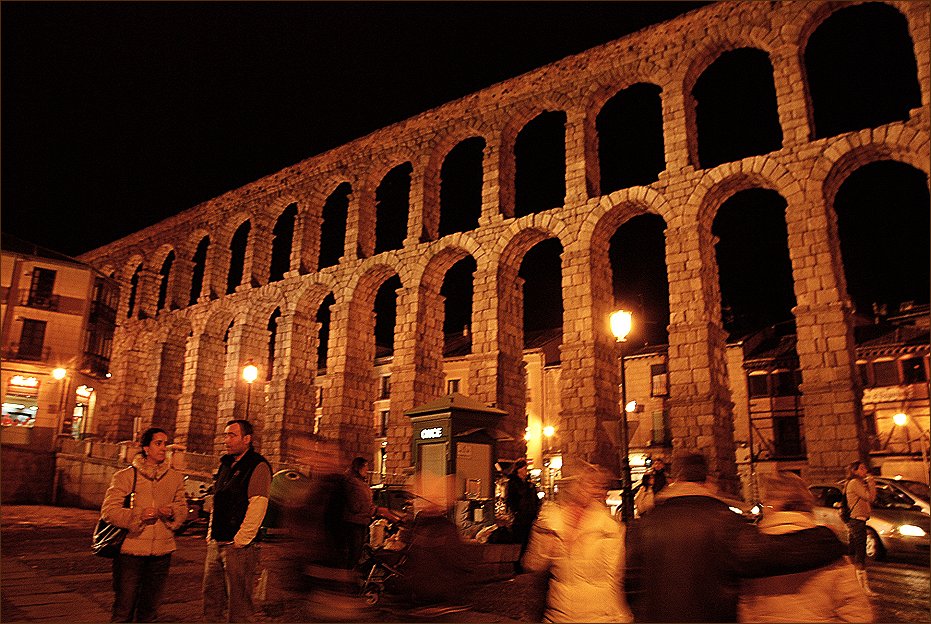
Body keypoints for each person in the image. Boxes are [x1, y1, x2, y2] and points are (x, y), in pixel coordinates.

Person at [625, 452, 848, 623]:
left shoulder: (644, 525)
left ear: (675, 480)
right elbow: (774, 554)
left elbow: (630, 586)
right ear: (708, 481)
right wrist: (825, 537)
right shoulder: (724, 521)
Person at [739, 472, 873, 622]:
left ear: (772, 505)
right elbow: (858, 614)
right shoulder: (828, 546)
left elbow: (744, 612)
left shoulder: (749, 553)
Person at [522, 461, 633, 623]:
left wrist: (619, 617)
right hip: (559, 615)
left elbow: (613, 580)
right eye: (587, 483)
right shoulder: (553, 520)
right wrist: (543, 540)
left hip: (597, 617)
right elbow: (533, 564)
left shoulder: (609, 529)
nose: (592, 490)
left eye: (599, 486)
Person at [101, 427, 187, 622]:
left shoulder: (174, 477)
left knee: (150, 610)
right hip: (131, 552)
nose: (164, 448)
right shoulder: (125, 476)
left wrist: (173, 511)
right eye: (158, 443)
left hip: (162, 553)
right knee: (124, 607)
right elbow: (109, 511)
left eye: (165, 444)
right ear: (146, 448)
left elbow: (183, 508)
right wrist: (138, 515)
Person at [202, 419, 272, 622]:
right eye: (225, 435)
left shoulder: (257, 466)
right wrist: (210, 534)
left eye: (232, 435)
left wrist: (240, 541)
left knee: (239, 607)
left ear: (247, 439)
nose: (226, 440)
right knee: (211, 601)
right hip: (216, 544)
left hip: (239, 549)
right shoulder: (225, 464)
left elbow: (258, 506)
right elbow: (217, 501)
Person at [844, 459, 877, 594]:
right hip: (857, 521)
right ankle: (863, 587)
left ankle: (854, 584)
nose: (865, 471)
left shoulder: (856, 483)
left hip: (858, 521)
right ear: (854, 471)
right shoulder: (854, 483)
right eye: (862, 468)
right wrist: (871, 482)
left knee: (854, 551)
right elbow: (870, 497)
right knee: (860, 553)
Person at [505, 458, 540, 564]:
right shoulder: (513, 484)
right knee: (519, 542)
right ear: (519, 470)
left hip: (530, 517)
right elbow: (511, 500)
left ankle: (525, 563)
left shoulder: (529, 484)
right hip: (520, 519)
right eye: (524, 468)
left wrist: (536, 510)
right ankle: (517, 564)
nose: (526, 471)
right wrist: (516, 512)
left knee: (528, 542)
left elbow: (535, 499)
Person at [342, 456, 374, 569]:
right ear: (359, 467)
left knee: (357, 551)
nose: (367, 469)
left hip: (361, 520)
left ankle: (351, 573)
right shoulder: (351, 482)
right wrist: (364, 509)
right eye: (366, 466)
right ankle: (348, 574)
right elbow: (354, 504)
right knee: (353, 551)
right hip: (354, 521)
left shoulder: (359, 481)